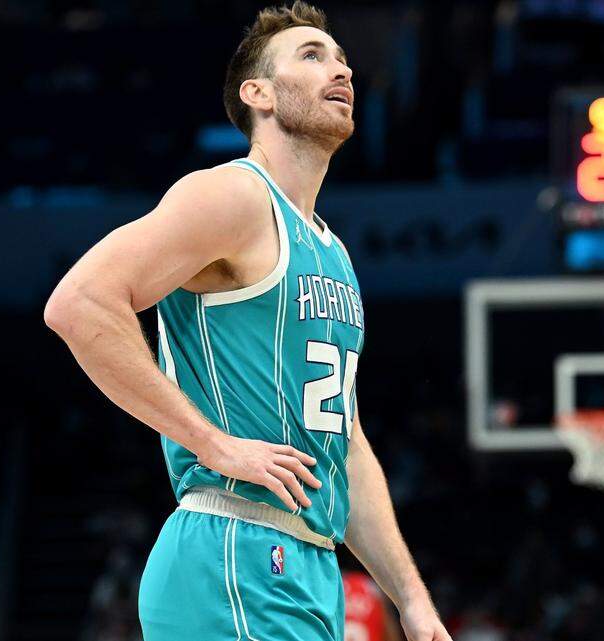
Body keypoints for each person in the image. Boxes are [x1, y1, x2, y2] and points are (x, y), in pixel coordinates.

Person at [42, 3, 451, 641]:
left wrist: (410, 597)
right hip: (235, 548)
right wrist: (213, 444)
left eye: (343, 59)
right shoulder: (231, 195)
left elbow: (345, 443)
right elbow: (79, 304)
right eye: (312, 55)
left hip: (307, 567)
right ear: (255, 93)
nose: (340, 70)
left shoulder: (333, 252)